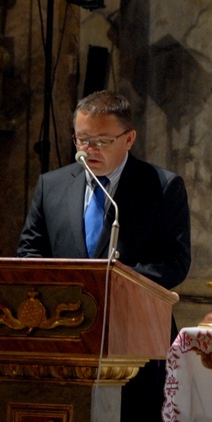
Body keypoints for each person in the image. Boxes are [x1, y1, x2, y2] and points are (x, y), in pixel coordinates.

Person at [17, 90, 191, 421]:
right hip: (64, 341)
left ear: (129, 139)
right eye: (82, 140)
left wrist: (118, 283)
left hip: (135, 342)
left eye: (101, 141)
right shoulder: (51, 186)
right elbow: (29, 252)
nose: (89, 150)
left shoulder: (162, 186)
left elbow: (174, 261)